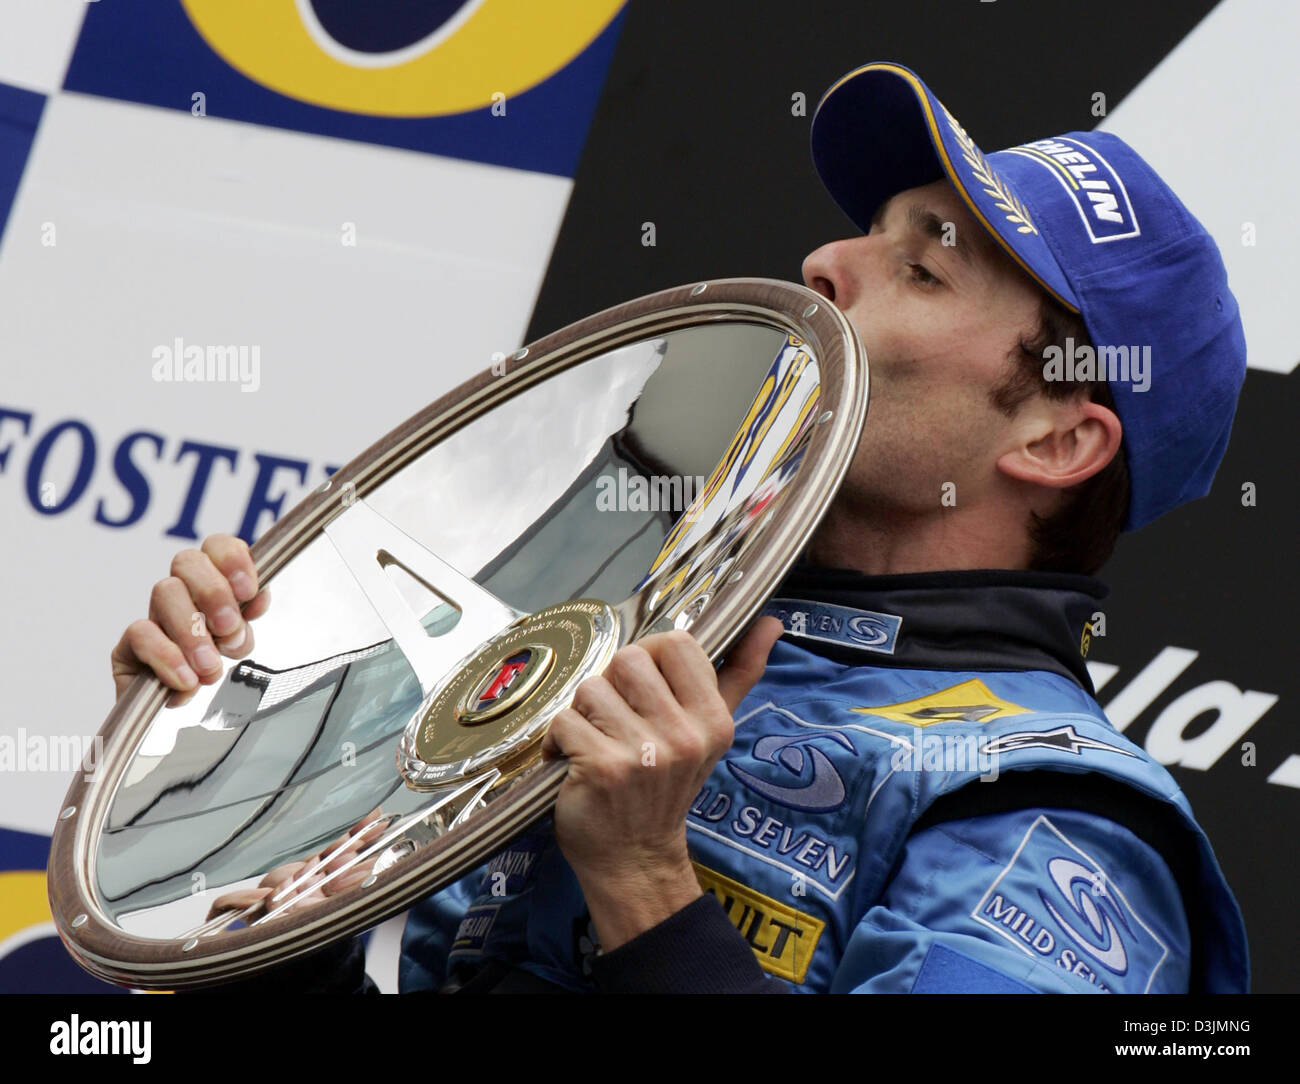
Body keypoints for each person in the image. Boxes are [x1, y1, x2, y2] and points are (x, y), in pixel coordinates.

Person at [111, 61, 1249, 993]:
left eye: (921, 269)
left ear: (1054, 442)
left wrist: (649, 888)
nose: (824, 263)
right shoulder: (618, 629)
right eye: (868, 231)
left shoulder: (1050, 818)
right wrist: (206, 774)